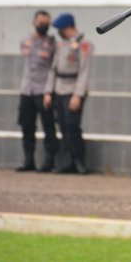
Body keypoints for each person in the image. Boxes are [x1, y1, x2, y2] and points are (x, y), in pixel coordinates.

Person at [44, 13, 94, 174]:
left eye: (61, 29)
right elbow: (53, 69)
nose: (59, 32)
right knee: (63, 127)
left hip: (73, 91)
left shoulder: (84, 44)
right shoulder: (61, 44)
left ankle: (80, 161)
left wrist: (78, 95)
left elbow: (84, 71)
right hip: (59, 89)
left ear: (68, 28)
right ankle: (68, 161)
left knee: (73, 126)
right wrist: (48, 91)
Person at [16, 10, 59, 172]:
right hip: (27, 90)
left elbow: (53, 68)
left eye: (46, 23)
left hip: (44, 90)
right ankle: (28, 161)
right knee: (27, 126)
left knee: (48, 126)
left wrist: (49, 92)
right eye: (41, 22)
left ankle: (49, 161)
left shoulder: (53, 43)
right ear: (34, 22)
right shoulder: (25, 41)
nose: (43, 25)